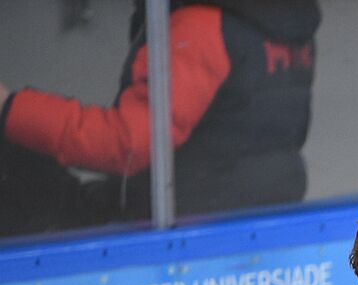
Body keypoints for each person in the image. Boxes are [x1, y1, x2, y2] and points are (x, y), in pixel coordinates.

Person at [0, 0, 319, 236]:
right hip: (248, 220)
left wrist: (9, 108)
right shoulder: (278, 20)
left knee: (26, 187)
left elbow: (127, 144)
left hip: (182, 230)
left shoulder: (201, 25)